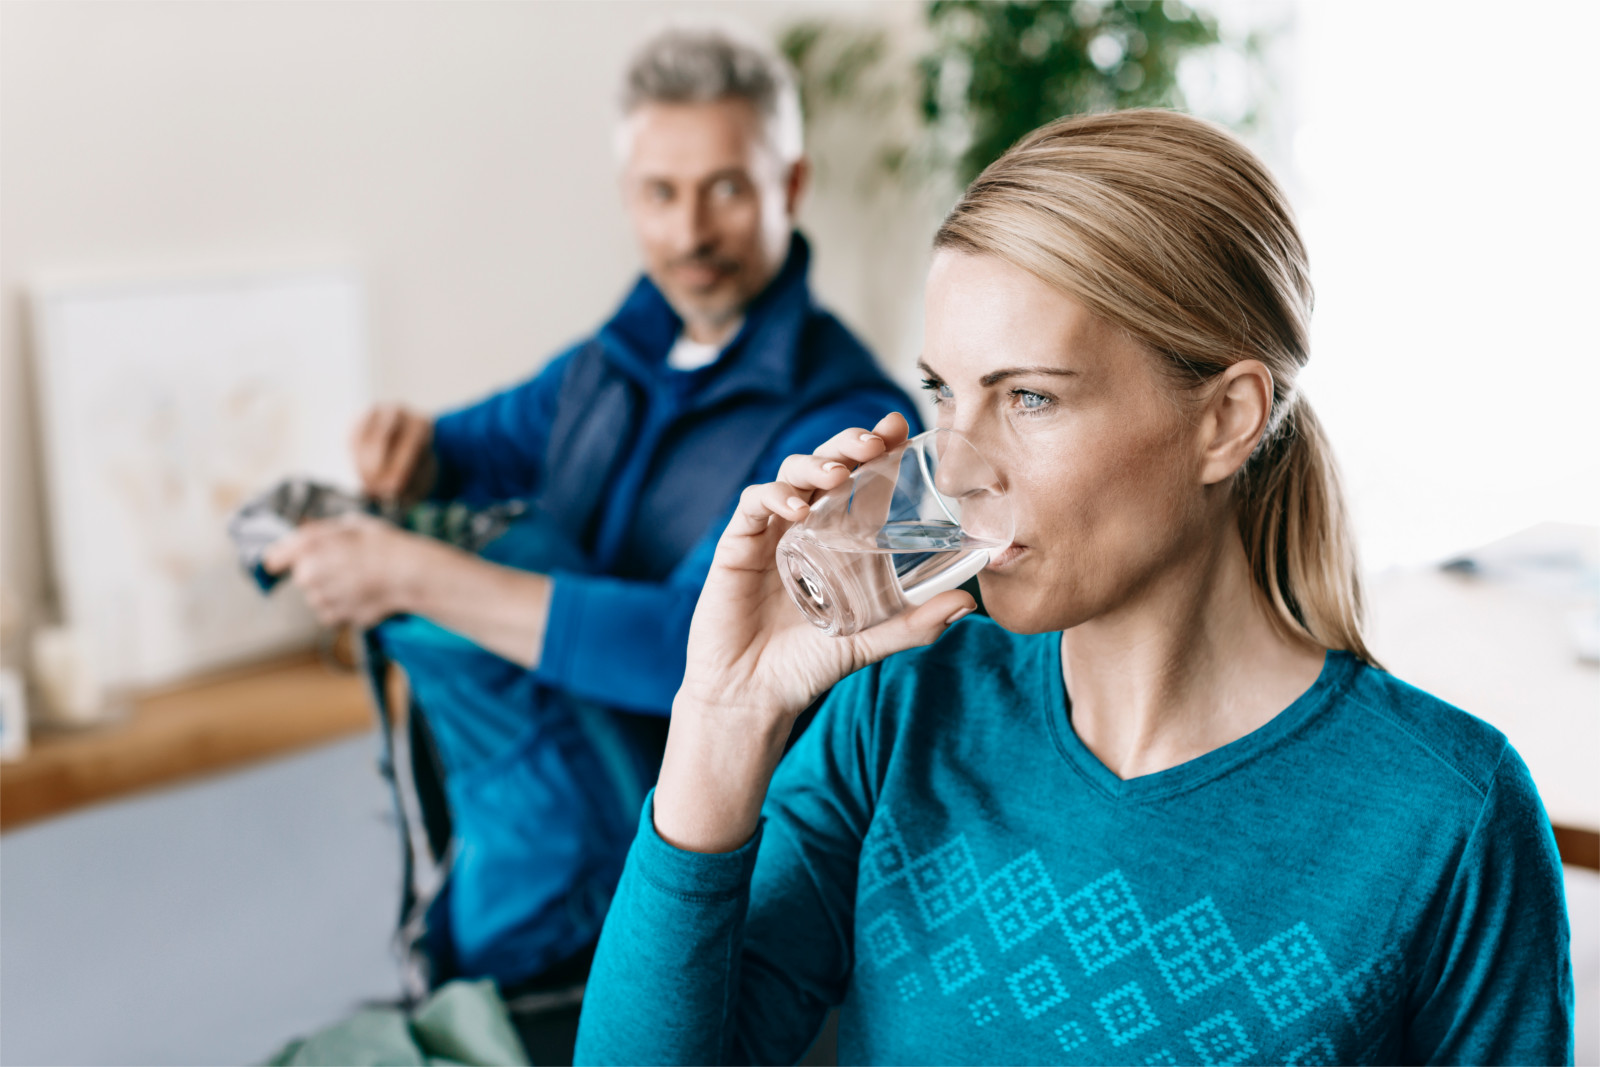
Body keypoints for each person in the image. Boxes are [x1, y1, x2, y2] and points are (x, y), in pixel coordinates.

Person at [572, 110, 1575, 1066]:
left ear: (1224, 419)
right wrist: (721, 711)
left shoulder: (1445, 815)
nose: (956, 471)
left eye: (1030, 397)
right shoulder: (901, 711)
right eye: (944, 393)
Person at [261, 25, 919, 1019]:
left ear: (790, 184)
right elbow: (470, 445)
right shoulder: (611, 362)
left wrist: (411, 575)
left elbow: (695, 654)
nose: (689, 231)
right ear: (628, 199)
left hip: (684, 900)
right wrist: (414, 447)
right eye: (660, 193)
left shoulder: (845, 428)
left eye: (726, 189)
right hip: (520, 866)